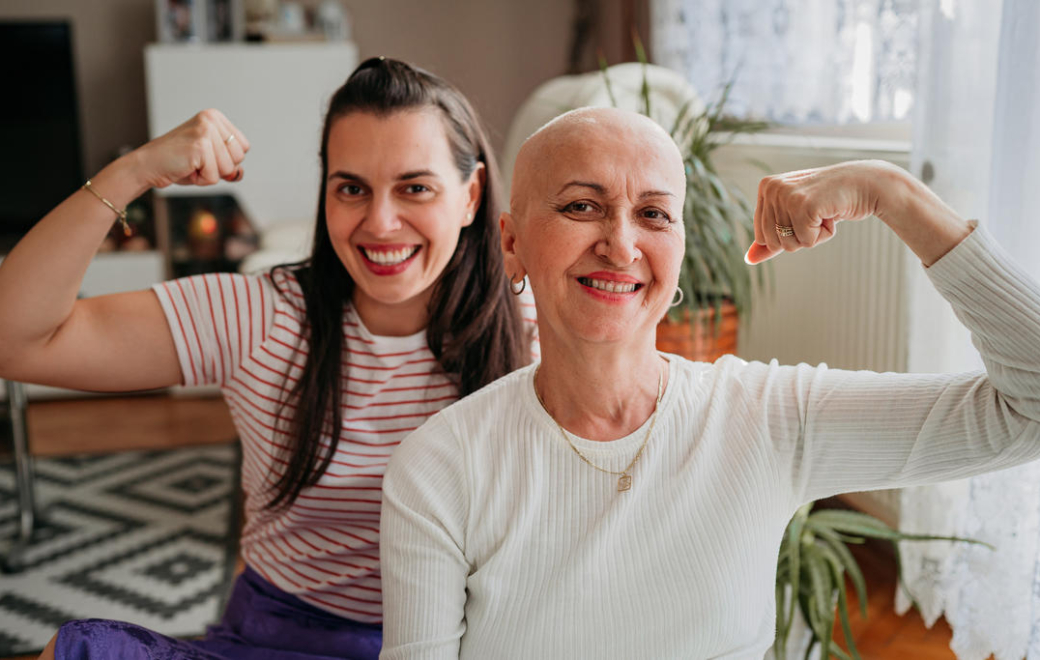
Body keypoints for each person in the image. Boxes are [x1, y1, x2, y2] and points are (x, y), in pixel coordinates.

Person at [378, 107, 1040, 659]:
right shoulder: (439, 466)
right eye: (583, 205)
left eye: (654, 214)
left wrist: (895, 194)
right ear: (512, 242)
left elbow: (1028, 409)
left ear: (681, 248)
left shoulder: (771, 417)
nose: (620, 243)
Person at [0, 57, 535, 659]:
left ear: (471, 196)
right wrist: (133, 171)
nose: (381, 222)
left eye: (415, 187)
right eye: (351, 188)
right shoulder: (261, 316)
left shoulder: (532, 335)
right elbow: (14, 339)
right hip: (278, 641)